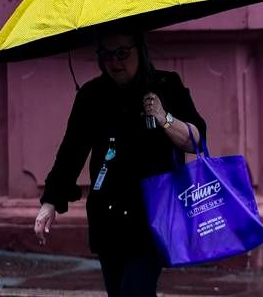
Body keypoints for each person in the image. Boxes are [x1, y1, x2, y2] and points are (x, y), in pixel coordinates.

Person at [33, 31, 207, 297]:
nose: (114, 62)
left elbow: (196, 141)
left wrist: (164, 117)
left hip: (154, 216)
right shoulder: (92, 96)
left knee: (134, 291)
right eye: (106, 55)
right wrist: (50, 202)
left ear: (140, 49)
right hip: (109, 218)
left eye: (122, 53)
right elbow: (71, 151)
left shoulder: (166, 85)